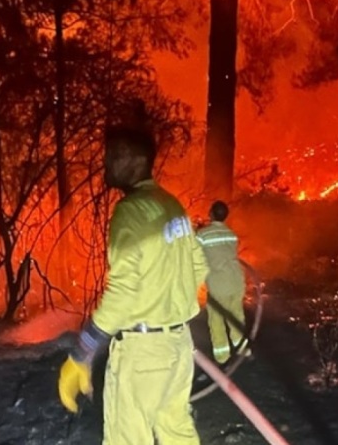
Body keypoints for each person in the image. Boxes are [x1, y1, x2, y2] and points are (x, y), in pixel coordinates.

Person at [58, 125, 207, 445]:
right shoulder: (172, 205)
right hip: (178, 346)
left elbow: (123, 292)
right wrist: (168, 305)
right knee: (176, 430)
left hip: (142, 355)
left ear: (138, 160)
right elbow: (199, 266)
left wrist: (82, 352)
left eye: (116, 155)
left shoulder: (129, 212)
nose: (107, 162)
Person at [197, 200, 248, 365]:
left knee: (216, 320)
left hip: (219, 285)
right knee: (236, 316)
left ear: (210, 214)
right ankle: (243, 351)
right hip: (237, 281)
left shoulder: (203, 235)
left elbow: (195, 255)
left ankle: (222, 357)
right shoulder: (231, 234)